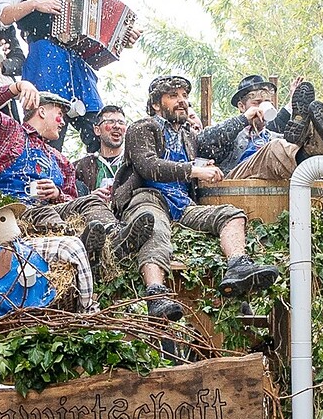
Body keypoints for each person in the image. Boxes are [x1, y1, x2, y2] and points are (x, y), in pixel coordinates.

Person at [112, 75, 283, 308]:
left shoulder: (188, 136)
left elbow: (216, 138)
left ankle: (238, 265)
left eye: (184, 95)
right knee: (153, 226)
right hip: (148, 197)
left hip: (183, 204)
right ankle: (156, 295)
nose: (182, 101)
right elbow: (148, 166)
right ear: (156, 104)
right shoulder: (142, 127)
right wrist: (194, 170)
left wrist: (205, 165)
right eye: (173, 96)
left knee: (231, 214)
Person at [0, 80, 151, 275]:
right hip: (11, 215)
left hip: (50, 210)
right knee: (47, 214)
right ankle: (81, 248)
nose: (63, 122)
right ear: (41, 111)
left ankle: (116, 240)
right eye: (60, 114)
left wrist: (57, 194)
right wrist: (17, 87)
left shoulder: (61, 160)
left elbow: (72, 201)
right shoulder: (7, 132)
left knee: (89, 201)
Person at [0, 0, 131, 148]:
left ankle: (102, 170)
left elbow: (96, 38)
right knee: (46, 137)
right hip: (45, 60)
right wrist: (34, 4)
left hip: (78, 67)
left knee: (98, 133)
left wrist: (122, 36)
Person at [204, 75, 323, 180]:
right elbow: (204, 141)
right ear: (242, 106)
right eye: (257, 102)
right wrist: (244, 119)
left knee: (299, 143)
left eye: (267, 101)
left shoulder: (271, 135)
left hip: (272, 183)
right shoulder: (232, 136)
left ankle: (320, 143)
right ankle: (309, 150)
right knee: (275, 148)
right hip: (237, 181)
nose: (263, 106)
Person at [74, 105, 127, 192]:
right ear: (97, 130)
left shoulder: (133, 163)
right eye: (110, 122)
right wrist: (90, 197)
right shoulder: (81, 167)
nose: (117, 126)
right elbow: (69, 195)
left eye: (121, 122)